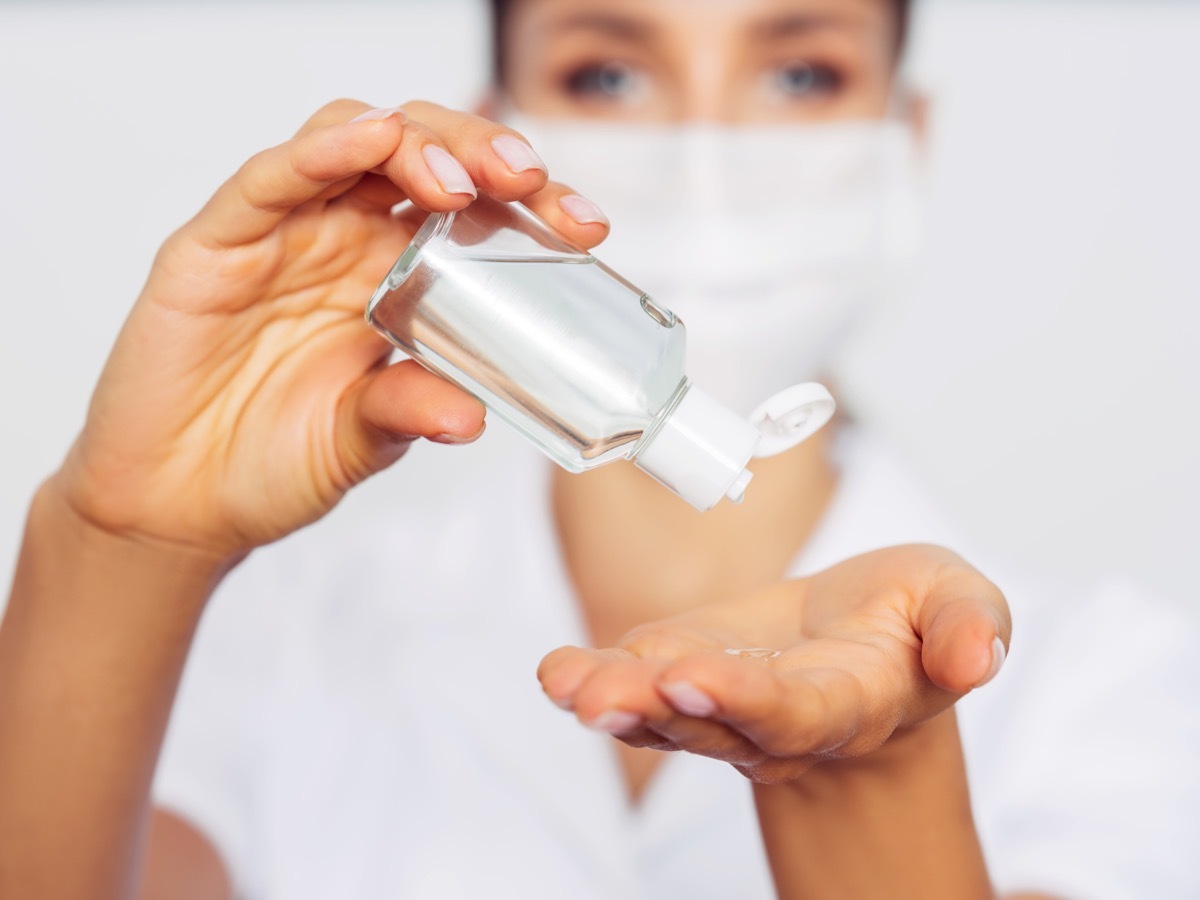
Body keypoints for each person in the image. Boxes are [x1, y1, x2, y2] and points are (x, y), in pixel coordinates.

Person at [0, 0, 1196, 898]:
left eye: (798, 72)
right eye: (611, 72)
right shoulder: (274, 639)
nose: (706, 151)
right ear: (496, 137)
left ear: (906, 135)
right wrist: (119, 549)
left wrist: (874, 769)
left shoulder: (1110, 685)